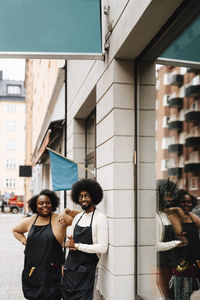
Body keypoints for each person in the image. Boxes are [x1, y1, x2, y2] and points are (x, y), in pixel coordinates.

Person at [12, 189, 77, 300]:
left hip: (53, 272)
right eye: (41, 203)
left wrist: (66, 210)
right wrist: (26, 242)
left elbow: (83, 216)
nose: (44, 205)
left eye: (48, 202)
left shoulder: (60, 219)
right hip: (33, 271)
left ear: (52, 204)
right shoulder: (30, 221)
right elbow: (15, 230)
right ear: (36, 206)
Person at [60, 178, 108, 300]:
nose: (83, 199)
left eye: (87, 196)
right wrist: (65, 264)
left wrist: (77, 245)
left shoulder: (100, 218)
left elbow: (103, 248)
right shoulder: (78, 217)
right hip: (70, 271)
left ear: (94, 197)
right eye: (80, 196)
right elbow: (71, 242)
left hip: (87, 274)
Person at [156, 180, 187, 300]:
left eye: (170, 195)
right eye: (166, 195)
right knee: (168, 296)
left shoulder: (163, 215)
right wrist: (176, 243)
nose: (169, 199)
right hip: (162, 264)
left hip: (170, 264)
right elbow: (156, 246)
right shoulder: (156, 217)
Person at [171, 189, 200, 300]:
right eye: (183, 202)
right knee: (180, 290)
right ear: (178, 203)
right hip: (180, 259)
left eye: (188, 202)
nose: (186, 204)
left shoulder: (194, 218)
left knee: (191, 289)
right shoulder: (174, 217)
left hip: (194, 259)